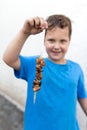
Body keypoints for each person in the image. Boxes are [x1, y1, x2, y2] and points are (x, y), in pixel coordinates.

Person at [3, 14, 87, 130]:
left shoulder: (76, 69)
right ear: (44, 41)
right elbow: (9, 59)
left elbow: (83, 98)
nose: (56, 46)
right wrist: (24, 32)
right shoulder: (36, 64)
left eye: (62, 41)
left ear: (69, 41)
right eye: (51, 40)